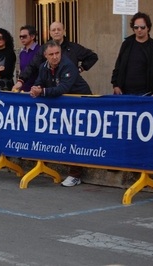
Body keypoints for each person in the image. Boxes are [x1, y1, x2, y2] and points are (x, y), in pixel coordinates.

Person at [30, 40, 92, 187]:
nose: (54, 57)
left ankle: (75, 175)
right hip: (61, 107)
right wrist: (35, 88)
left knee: (75, 137)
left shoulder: (68, 65)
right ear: (45, 55)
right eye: (51, 54)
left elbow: (62, 88)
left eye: (57, 53)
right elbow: (40, 82)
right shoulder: (43, 67)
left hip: (80, 104)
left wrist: (42, 92)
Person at [12, 21, 98, 92]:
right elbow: (32, 65)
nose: (56, 32)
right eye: (53, 30)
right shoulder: (43, 50)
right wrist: (21, 81)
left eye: (59, 29)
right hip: (53, 90)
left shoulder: (74, 48)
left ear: (64, 31)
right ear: (50, 33)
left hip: (73, 90)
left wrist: (80, 69)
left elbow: (92, 57)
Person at [111, 12, 153, 96]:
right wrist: (115, 85)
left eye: (142, 27)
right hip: (124, 93)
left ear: (148, 27)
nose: (139, 30)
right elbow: (118, 65)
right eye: (136, 27)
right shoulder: (126, 44)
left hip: (147, 95)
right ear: (133, 28)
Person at [15, 25, 41, 92]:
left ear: (32, 36)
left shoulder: (40, 50)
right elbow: (21, 71)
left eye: (24, 36)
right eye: (20, 37)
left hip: (36, 89)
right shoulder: (22, 53)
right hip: (23, 88)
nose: (22, 39)